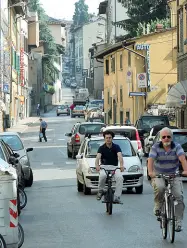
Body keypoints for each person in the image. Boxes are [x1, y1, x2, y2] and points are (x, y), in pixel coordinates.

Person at [148, 127, 187, 232]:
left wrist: (185, 170)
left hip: (174, 175)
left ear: (172, 138)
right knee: (160, 188)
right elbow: (150, 160)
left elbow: (182, 158)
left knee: (179, 196)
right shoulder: (156, 147)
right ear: (160, 138)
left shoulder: (177, 146)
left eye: (168, 137)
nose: (166, 139)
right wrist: (151, 172)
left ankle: (178, 222)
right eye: (164, 137)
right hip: (159, 174)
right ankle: (158, 205)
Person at [95, 130, 125, 203]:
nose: (108, 139)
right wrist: (97, 166)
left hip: (114, 167)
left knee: (120, 178)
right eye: (106, 138)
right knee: (102, 176)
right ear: (104, 138)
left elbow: (120, 156)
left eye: (110, 138)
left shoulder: (116, 147)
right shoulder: (101, 148)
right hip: (104, 167)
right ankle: (100, 191)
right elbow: (98, 157)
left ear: (112, 138)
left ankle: (117, 196)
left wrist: (121, 166)